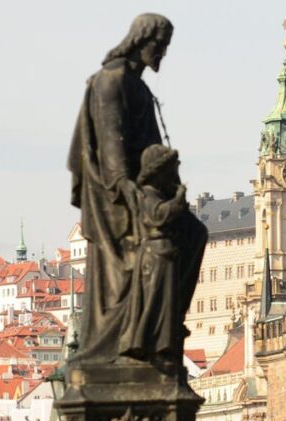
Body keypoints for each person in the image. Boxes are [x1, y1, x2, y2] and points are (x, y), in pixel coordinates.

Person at [67, 13, 175, 364]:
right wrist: (135, 195)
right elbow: (113, 156)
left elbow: (150, 149)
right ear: (141, 41)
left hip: (141, 188)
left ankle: (162, 331)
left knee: (193, 232)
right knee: (165, 244)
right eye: (159, 45)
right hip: (114, 197)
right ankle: (141, 336)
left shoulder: (137, 86)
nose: (162, 52)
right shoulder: (111, 82)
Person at [119, 145, 206, 373]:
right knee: (157, 305)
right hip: (156, 258)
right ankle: (151, 343)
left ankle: (163, 343)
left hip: (165, 257)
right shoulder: (147, 194)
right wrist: (177, 200)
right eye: (171, 170)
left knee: (165, 305)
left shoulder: (155, 193)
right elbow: (158, 216)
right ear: (159, 171)